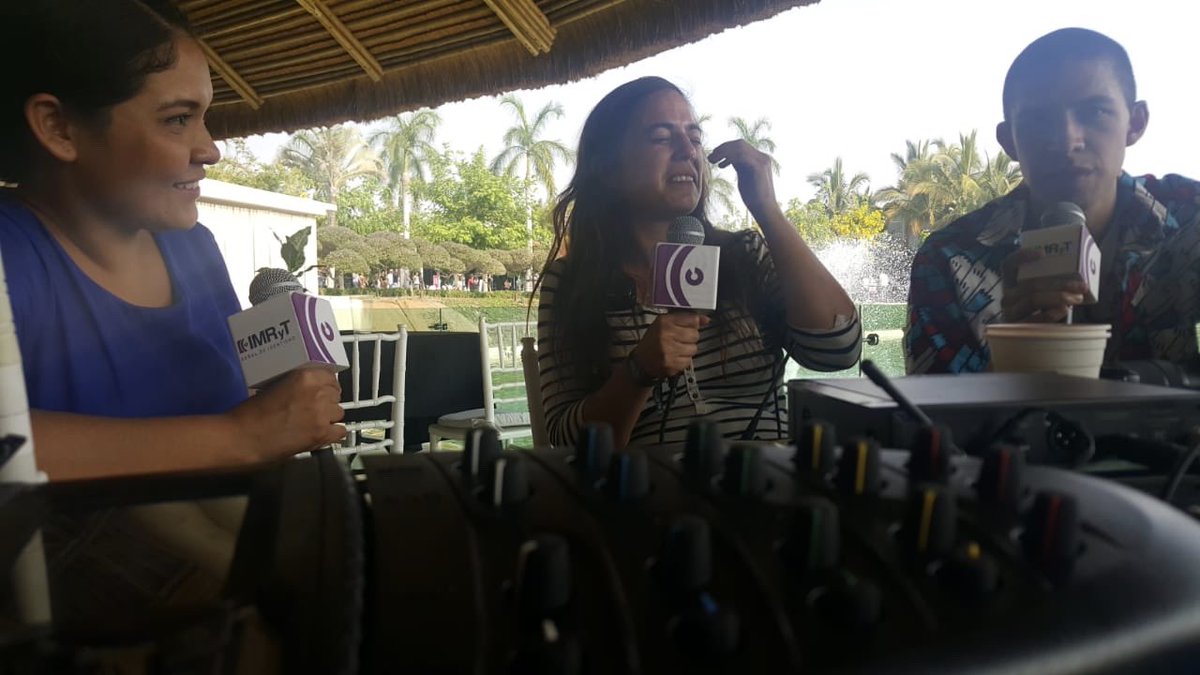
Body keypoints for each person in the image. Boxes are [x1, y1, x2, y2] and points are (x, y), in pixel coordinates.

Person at [0, 0, 346, 481]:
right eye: (177, 119)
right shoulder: (10, 259)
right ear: (59, 128)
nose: (211, 150)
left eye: (204, 117)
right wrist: (239, 437)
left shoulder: (195, 250)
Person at [535, 77, 860, 450]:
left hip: (765, 489)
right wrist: (637, 372)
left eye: (694, 136)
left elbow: (839, 349)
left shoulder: (744, 255)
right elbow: (563, 443)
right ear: (608, 168)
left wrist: (768, 212)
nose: (688, 151)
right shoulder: (573, 282)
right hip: (649, 498)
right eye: (661, 137)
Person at [904, 27, 1200, 375]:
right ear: (1009, 141)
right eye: (1038, 120)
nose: (1066, 140)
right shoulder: (951, 258)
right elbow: (933, 416)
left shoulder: (1190, 220)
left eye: (1095, 112)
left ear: (1135, 123)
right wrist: (1014, 354)